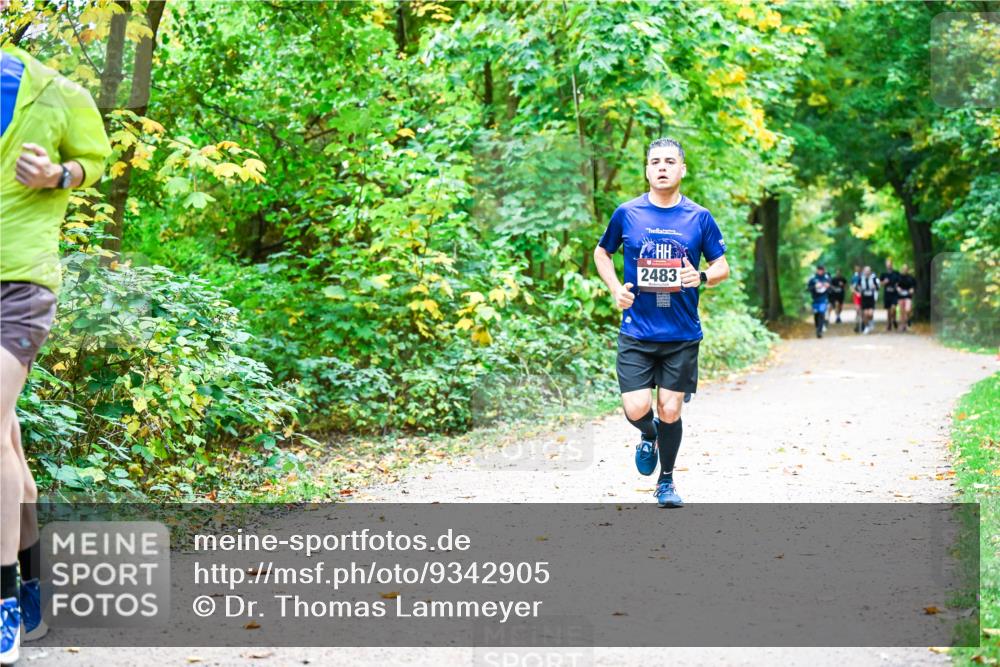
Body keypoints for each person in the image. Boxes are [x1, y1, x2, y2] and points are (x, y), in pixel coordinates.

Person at [0, 25, 112, 664]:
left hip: (21, 285)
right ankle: (37, 576)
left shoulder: (55, 90)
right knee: (7, 441)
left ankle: (5, 600)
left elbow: (94, 163)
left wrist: (57, 174)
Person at [594, 138, 730, 508]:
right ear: (647, 169)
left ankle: (666, 482)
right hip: (637, 330)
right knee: (638, 408)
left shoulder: (698, 217)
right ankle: (649, 435)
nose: (662, 167)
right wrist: (614, 289)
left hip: (681, 332)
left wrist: (700, 277)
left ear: (682, 169)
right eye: (655, 161)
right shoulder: (627, 213)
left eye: (670, 161)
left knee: (671, 408)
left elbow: (722, 266)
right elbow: (601, 252)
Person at [806, 265, 831, 338]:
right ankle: (817, 327)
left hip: (823, 298)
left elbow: (831, 289)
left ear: (824, 270)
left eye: (822, 270)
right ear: (817, 270)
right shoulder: (813, 279)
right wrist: (815, 287)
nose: (820, 271)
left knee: (821, 313)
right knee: (816, 314)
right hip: (815, 299)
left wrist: (828, 287)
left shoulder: (827, 278)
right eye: (819, 270)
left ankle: (819, 331)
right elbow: (808, 288)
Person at [855, 266, 880, 334]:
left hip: (871, 298)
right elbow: (857, 287)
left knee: (870, 313)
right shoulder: (861, 278)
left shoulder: (873, 278)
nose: (867, 272)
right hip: (864, 298)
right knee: (865, 314)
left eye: (868, 271)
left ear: (870, 272)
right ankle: (866, 327)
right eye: (866, 271)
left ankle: (871, 321)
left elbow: (878, 287)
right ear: (864, 271)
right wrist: (859, 290)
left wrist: (875, 287)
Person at [880, 259, 901, 332]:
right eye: (887, 264)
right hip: (887, 294)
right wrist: (884, 282)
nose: (889, 265)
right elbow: (880, 284)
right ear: (886, 265)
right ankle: (889, 323)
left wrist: (898, 286)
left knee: (893, 308)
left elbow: (899, 282)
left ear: (892, 264)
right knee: (888, 310)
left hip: (894, 294)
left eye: (890, 264)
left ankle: (894, 319)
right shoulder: (883, 274)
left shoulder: (896, 273)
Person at [897, 264, 916, 332]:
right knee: (902, 312)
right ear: (902, 269)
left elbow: (914, 286)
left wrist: (912, 289)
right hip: (901, 296)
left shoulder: (911, 278)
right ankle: (903, 325)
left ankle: (908, 320)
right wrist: (898, 288)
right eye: (903, 269)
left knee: (907, 310)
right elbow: (896, 285)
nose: (904, 270)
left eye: (906, 269)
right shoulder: (899, 277)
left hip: (908, 296)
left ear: (908, 270)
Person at [851, 264, 862, 332]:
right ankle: (857, 325)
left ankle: (862, 324)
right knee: (858, 310)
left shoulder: (863, 276)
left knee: (862, 310)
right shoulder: (854, 277)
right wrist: (856, 293)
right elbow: (852, 287)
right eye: (856, 268)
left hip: (863, 295)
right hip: (856, 295)